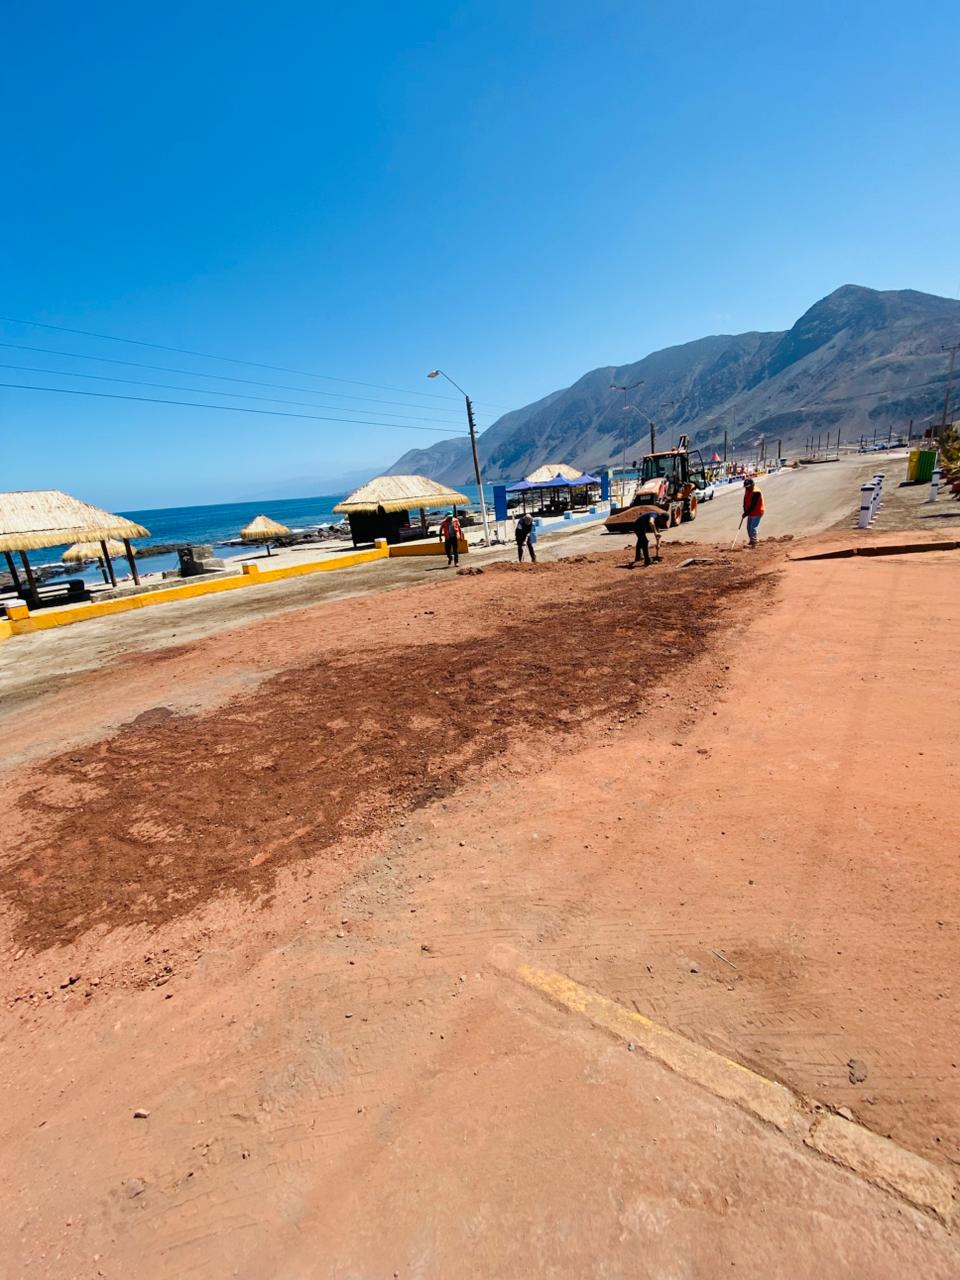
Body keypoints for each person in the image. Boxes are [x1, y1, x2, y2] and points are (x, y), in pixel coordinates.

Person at [742, 478, 765, 546]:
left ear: (752, 485)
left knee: (753, 527)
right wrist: (744, 509)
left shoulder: (756, 492)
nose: (746, 488)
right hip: (750, 512)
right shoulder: (748, 489)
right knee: (748, 527)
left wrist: (746, 513)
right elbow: (745, 500)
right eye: (745, 487)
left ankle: (754, 541)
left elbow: (753, 506)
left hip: (757, 511)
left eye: (747, 486)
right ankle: (752, 540)